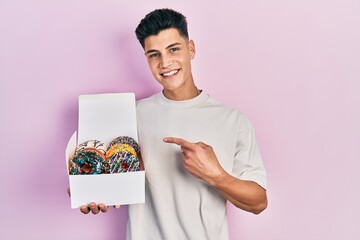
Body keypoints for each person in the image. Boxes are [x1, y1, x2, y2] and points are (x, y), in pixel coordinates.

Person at [74, 8, 267, 240]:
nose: (165, 63)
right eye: (154, 54)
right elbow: (110, 178)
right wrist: (89, 192)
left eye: (173, 49)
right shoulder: (131, 115)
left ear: (191, 49)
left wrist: (215, 175)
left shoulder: (233, 120)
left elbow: (258, 202)